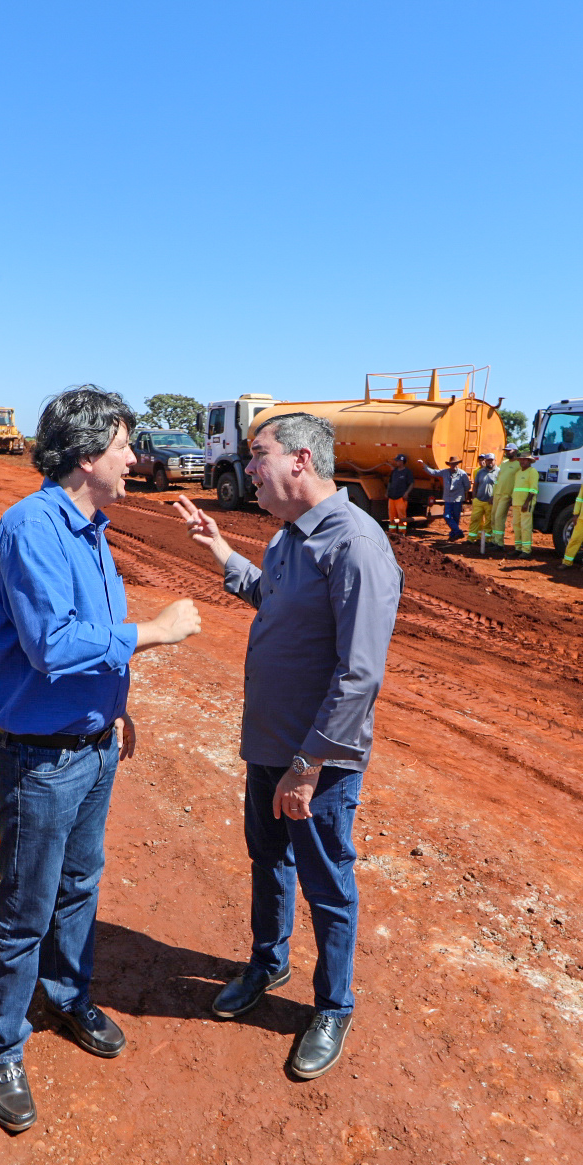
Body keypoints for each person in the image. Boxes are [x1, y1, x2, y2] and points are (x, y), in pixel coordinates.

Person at [0, 386, 203, 1132]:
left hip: (91, 744)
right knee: (26, 904)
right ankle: (0, 1045)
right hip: (39, 759)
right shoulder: (32, 529)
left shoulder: (90, 528)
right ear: (86, 455)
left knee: (80, 883)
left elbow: (86, 640)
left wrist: (116, 708)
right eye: (124, 446)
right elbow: (50, 646)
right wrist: (155, 632)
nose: (135, 458)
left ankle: (68, 996)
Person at [173, 412, 402, 1081]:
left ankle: (332, 1006)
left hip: (317, 762)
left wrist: (309, 765)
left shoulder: (356, 545)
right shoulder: (287, 540)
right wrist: (218, 548)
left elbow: (360, 673)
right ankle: (268, 963)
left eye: (258, 454)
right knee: (268, 861)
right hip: (269, 745)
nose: (249, 467)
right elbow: (269, 597)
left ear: (301, 460)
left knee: (328, 884)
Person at [483, 447, 521, 554]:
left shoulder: (519, 464)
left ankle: (499, 544)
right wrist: (493, 495)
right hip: (497, 494)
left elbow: (518, 481)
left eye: (510, 450)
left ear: (515, 451)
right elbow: (498, 480)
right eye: (506, 450)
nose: (508, 452)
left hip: (506, 495)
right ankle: (494, 540)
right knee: (494, 517)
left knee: (499, 518)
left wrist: (513, 496)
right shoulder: (504, 464)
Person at [505, 450, 541, 558]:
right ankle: (518, 548)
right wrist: (512, 499)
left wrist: (526, 503)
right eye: (521, 460)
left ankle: (526, 550)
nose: (522, 462)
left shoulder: (532, 472)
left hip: (526, 504)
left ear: (529, 461)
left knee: (525, 527)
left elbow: (533, 490)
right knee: (516, 526)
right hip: (516, 503)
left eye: (525, 460)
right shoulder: (518, 473)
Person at [465, 452, 498, 545]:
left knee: (489, 521)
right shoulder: (480, 472)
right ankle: (471, 538)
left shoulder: (499, 472)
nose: (489, 462)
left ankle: (487, 540)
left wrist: (493, 497)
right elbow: (475, 485)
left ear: (495, 461)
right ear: (485, 461)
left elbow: (500, 487)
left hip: (490, 502)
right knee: (475, 519)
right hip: (479, 500)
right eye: (488, 460)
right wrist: (474, 497)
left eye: (491, 460)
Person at [439, 455, 471, 541]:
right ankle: (458, 532)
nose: (454, 466)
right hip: (448, 498)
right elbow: (434, 472)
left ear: (458, 464)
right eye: (452, 464)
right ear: (449, 465)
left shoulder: (462, 474)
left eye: (456, 464)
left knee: (456, 517)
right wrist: (424, 466)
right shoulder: (445, 472)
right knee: (447, 516)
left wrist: (460, 492)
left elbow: (467, 486)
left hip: (458, 499)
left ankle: (453, 535)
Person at [385, 453, 413, 532]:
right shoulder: (394, 471)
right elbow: (390, 482)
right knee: (391, 516)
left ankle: (402, 532)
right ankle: (392, 531)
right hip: (392, 497)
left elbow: (411, 483)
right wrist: (387, 492)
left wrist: (406, 493)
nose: (396, 462)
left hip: (400, 498)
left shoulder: (407, 472)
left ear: (402, 462)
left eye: (397, 461)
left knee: (402, 517)